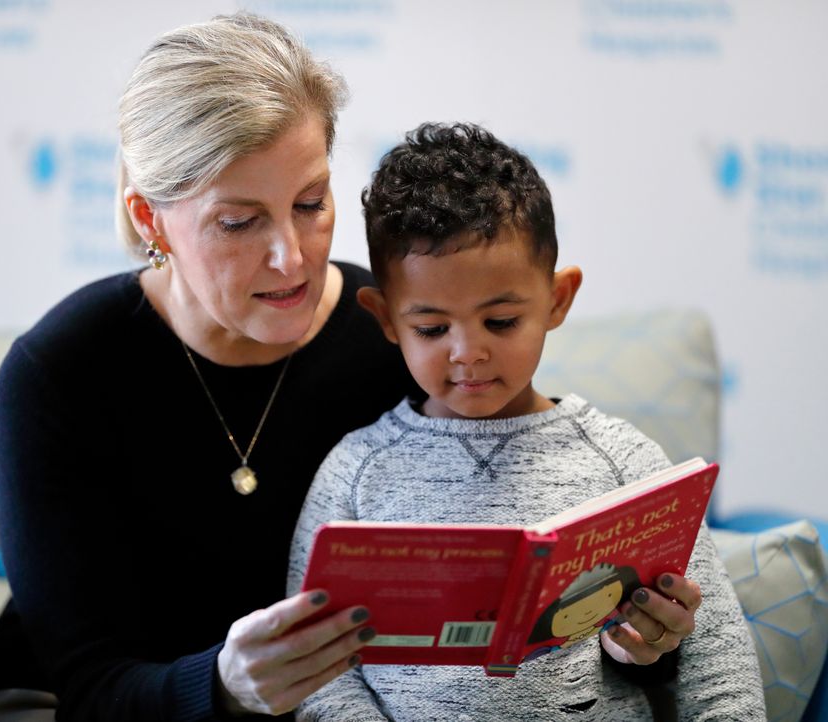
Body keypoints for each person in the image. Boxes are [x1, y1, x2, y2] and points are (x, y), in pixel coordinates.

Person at [0, 14, 697, 721]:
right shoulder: (61, 374)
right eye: (240, 221)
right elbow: (90, 685)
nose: (293, 257)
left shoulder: (401, 333)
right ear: (151, 218)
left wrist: (640, 639)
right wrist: (222, 685)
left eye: (311, 203)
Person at [287, 122, 765, 721]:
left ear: (558, 300)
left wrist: (652, 639)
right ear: (385, 319)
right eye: (432, 329)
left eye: (502, 321)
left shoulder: (623, 462)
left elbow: (718, 661)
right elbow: (314, 673)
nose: (467, 352)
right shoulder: (354, 474)